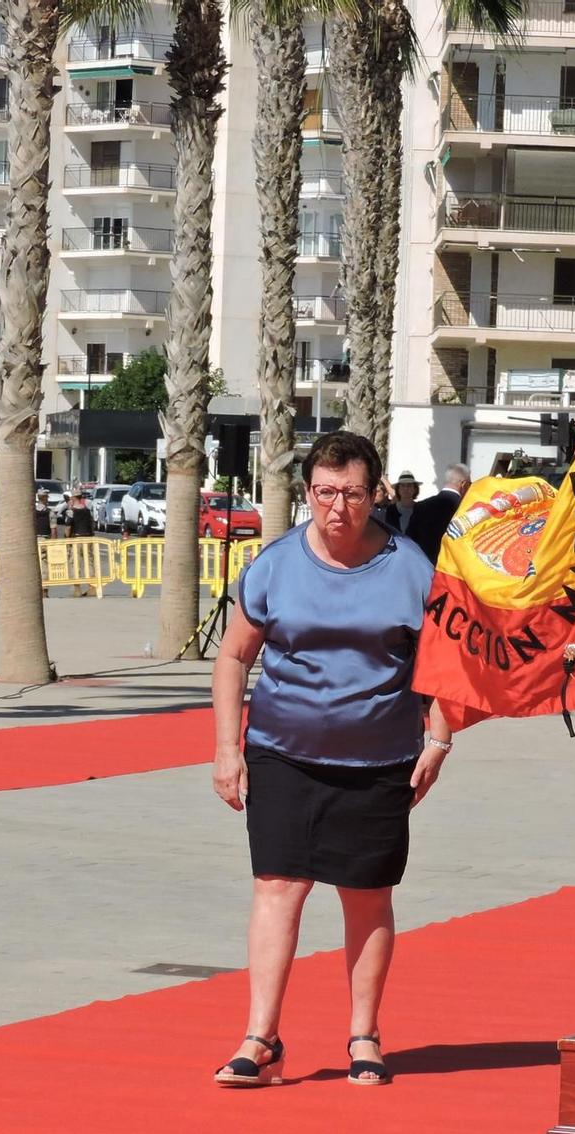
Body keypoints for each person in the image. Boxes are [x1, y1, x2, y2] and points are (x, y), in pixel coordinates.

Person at [209, 429, 450, 1088]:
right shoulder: (277, 564)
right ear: (307, 492)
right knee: (277, 888)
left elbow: (441, 664)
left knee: (366, 896)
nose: (336, 508)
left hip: (378, 760)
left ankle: (364, 1035)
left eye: (350, 493)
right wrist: (227, 750)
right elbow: (233, 657)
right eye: (323, 493)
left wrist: (439, 737)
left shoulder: (410, 567)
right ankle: (261, 1038)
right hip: (282, 753)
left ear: (374, 494)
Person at [404, 462, 469, 564]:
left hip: (423, 569)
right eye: (470, 484)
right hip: (449, 571)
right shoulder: (464, 509)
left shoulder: (421, 506)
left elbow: (409, 541)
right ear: (464, 484)